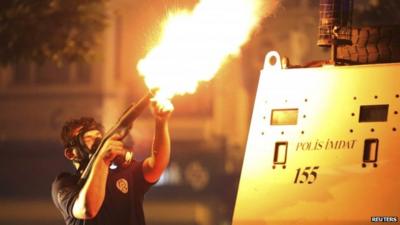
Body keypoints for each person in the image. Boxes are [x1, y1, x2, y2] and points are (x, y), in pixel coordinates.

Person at [51, 100, 173, 225]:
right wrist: (103, 159)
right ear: (70, 154)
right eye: (88, 138)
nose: (97, 141)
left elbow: (156, 166)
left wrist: (161, 121)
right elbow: (88, 209)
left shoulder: (124, 171)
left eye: (99, 136)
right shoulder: (65, 183)